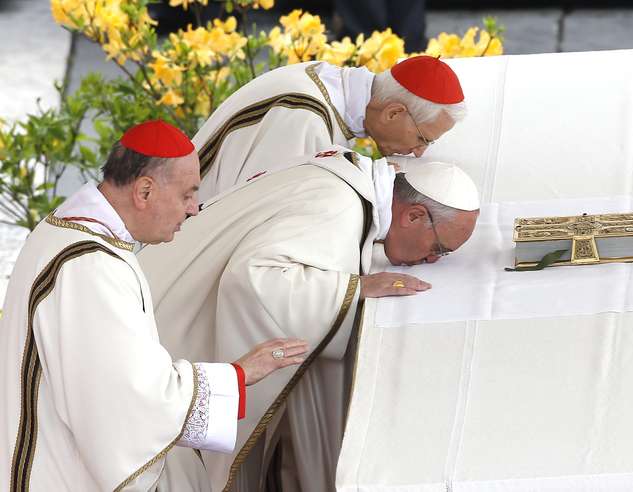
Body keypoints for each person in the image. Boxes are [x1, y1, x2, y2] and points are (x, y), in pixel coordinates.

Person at [137, 146, 480, 491]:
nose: (432, 260)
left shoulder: (350, 179)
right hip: (165, 347)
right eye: (439, 249)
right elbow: (253, 281)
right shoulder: (337, 206)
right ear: (414, 215)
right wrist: (353, 288)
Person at [0, 120, 308, 491]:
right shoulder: (91, 266)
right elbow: (130, 400)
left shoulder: (68, 231)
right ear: (144, 191)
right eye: (187, 194)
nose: (194, 209)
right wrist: (239, 375)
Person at [194, 55, 466, 201]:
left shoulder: (327, 83)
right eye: (423, 139)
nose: (419, 152)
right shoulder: (304, 117)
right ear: (394, 112)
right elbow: (277, 216)